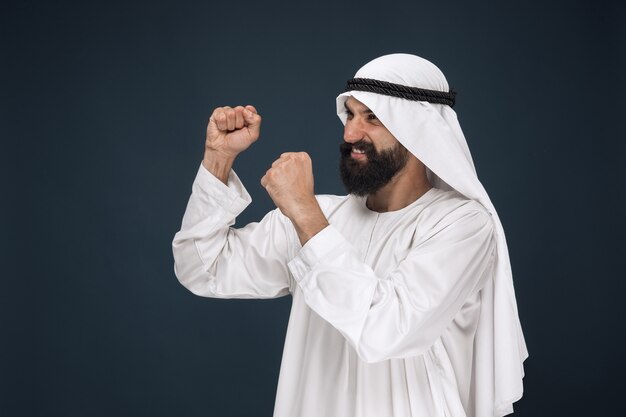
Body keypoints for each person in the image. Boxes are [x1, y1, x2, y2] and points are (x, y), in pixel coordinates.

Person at [172, 53, 528, 417]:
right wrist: (218, 158)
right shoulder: (318, 217)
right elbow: (203, 268)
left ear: (419, 129)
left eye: (372, 117)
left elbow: (387, 329)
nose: (350, 133)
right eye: (351, 115)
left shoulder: (462, 224)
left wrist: (304, 212)